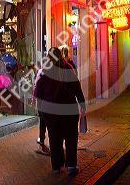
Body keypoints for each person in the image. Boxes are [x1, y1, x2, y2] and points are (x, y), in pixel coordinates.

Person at [35, 47, 86, 175]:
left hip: (51, 113)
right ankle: (71, 166)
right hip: (68, 111)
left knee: (54, 139)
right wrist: (82, 105)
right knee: (71, 138)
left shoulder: (45, 72)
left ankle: (56, 167)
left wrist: (42, 111)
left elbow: (39, 93)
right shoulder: (68, 69)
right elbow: (77, 89)